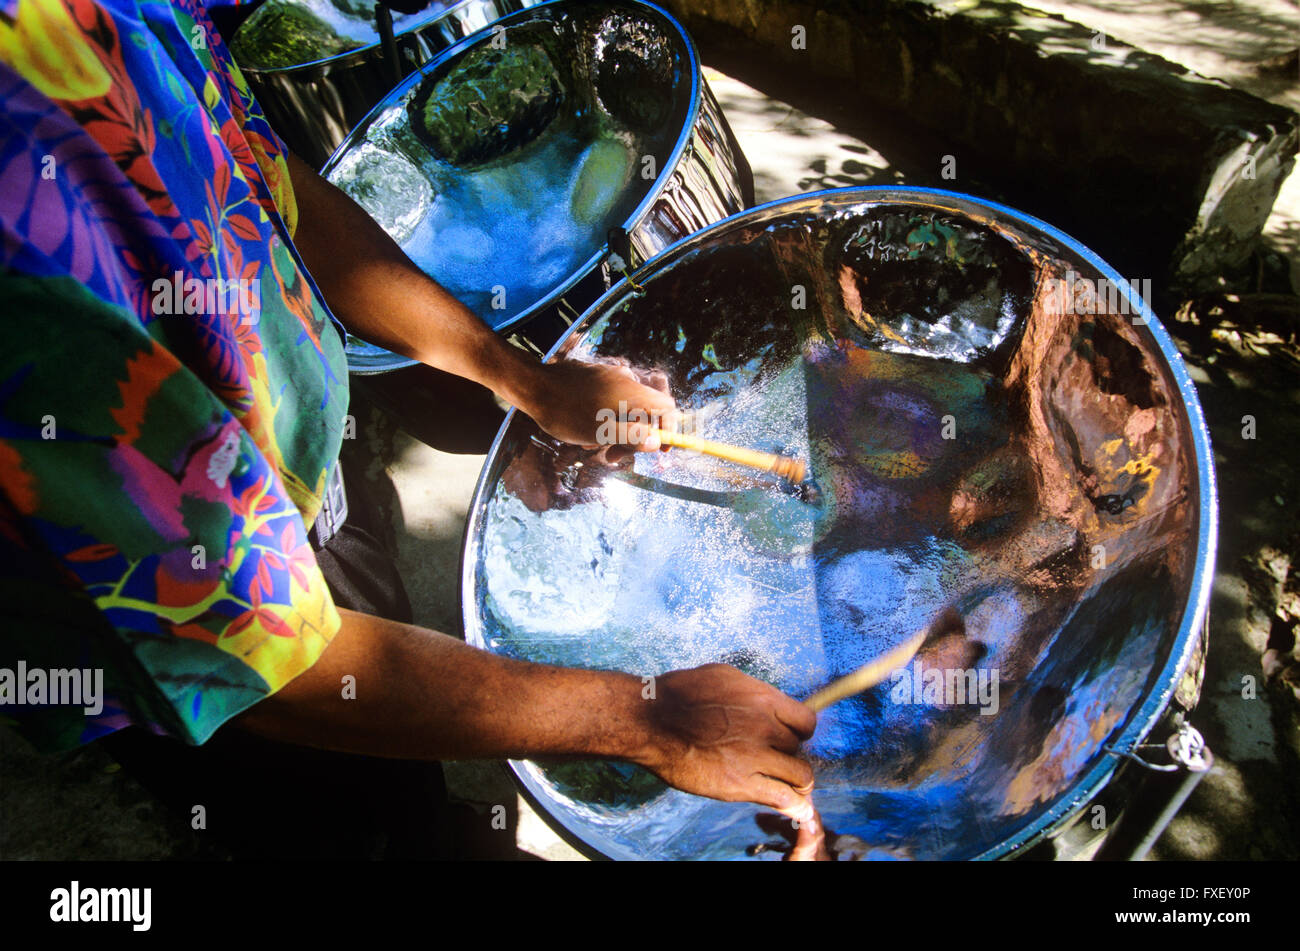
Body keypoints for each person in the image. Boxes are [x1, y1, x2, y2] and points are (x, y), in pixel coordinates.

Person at [0, 0, 823, 857]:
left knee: (404, 789)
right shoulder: (23, 230)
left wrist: (522, 377)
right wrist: (650, 718)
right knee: (339, 827)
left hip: (302, 490)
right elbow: (257, 661)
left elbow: (270, 189)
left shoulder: (117, 17)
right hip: (209, 652)